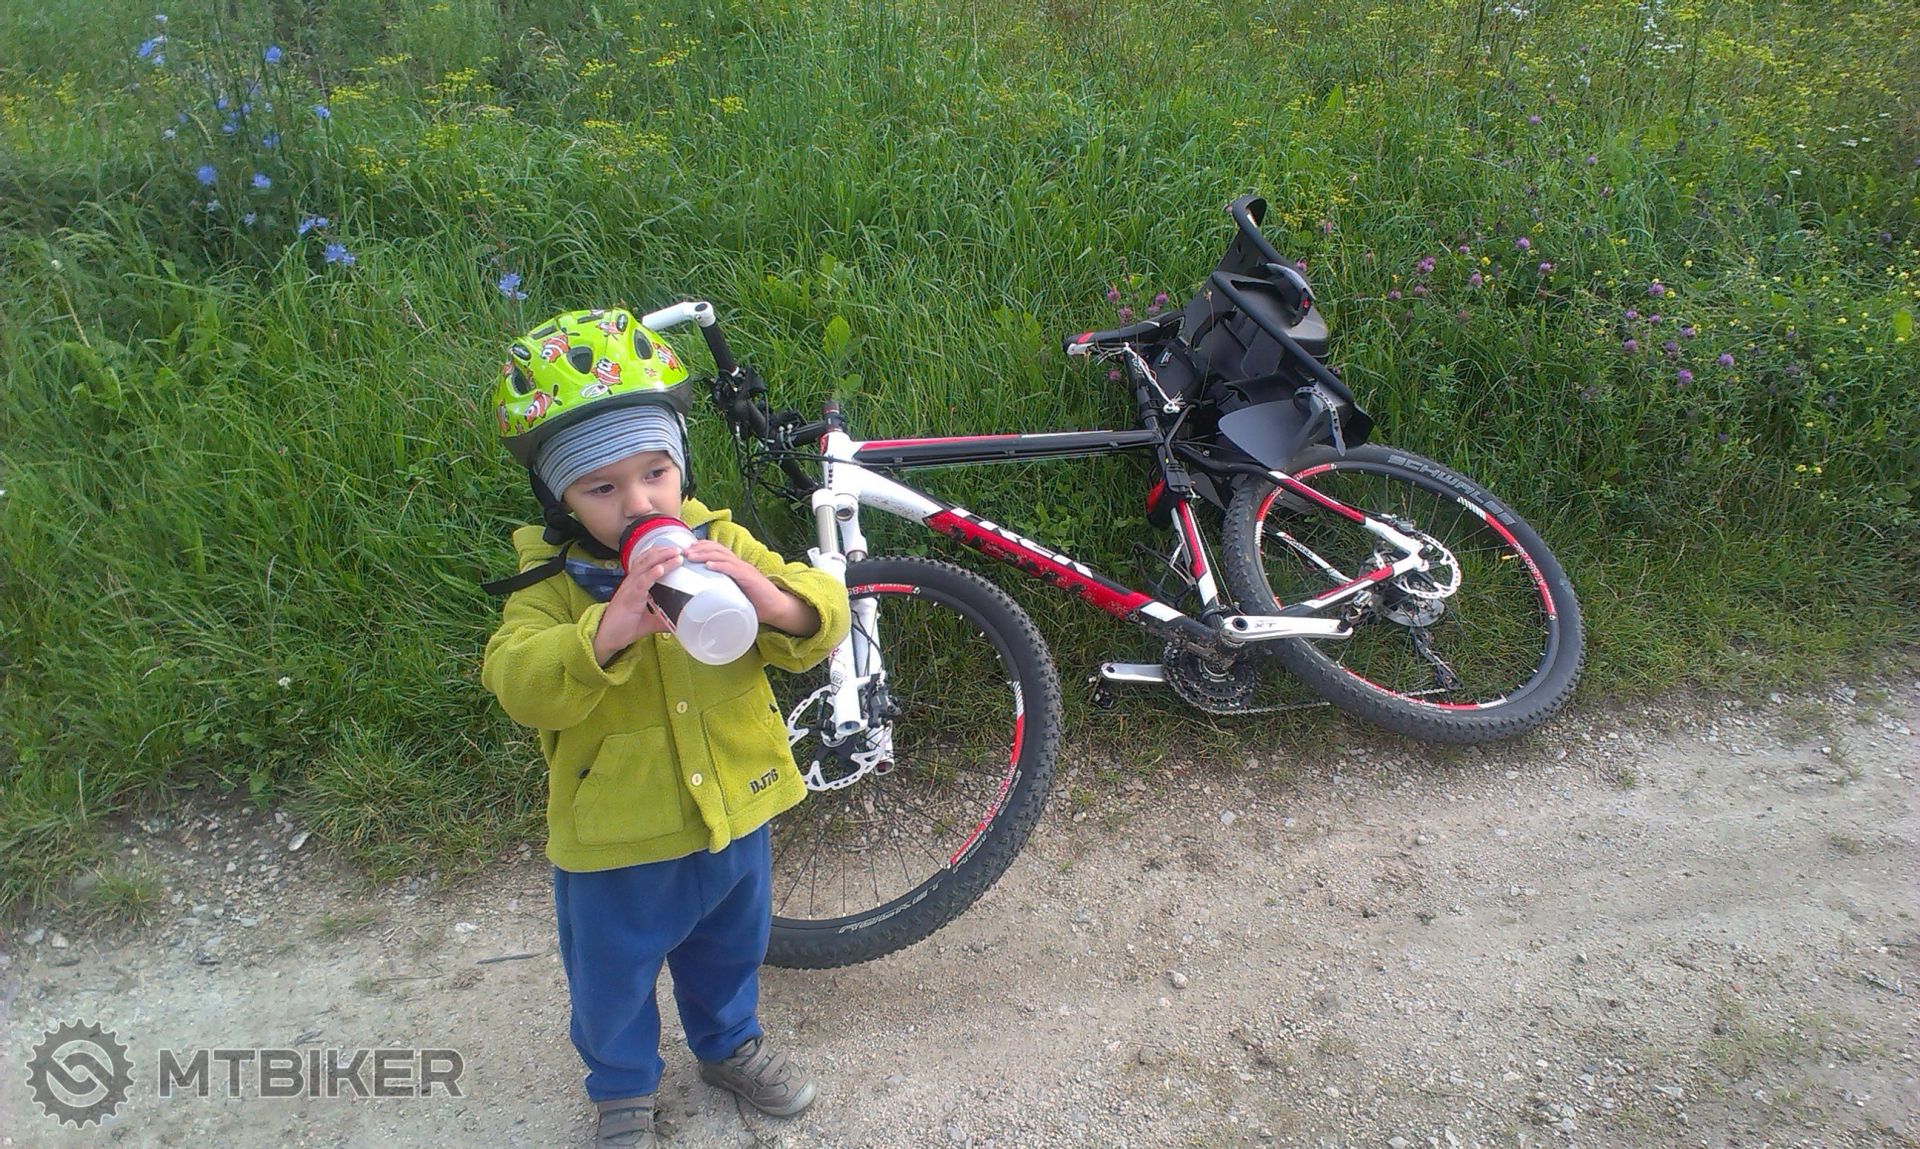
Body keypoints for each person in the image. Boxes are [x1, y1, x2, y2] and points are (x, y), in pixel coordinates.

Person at [479, 307, 850, 1148]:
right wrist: (606, 629)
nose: (638, 501)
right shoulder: (552, 583)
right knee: (611, 973)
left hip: (737, 805)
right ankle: (621, 1087)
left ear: (680, 463)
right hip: (618, 833)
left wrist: (767, 597)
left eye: (655, 472)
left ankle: (729, 1042)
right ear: (559, 499)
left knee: (733, 944)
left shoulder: (718, 539)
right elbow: (517, 680)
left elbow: (821, 614)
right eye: (601, 488)